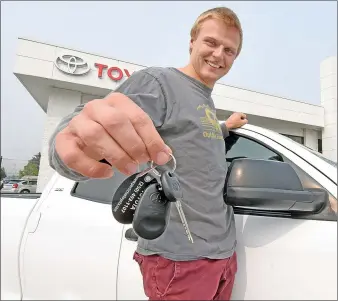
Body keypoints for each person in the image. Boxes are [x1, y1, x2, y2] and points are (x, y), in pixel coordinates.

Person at [49, 6, 247, 300]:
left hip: (221, 254)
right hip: (180, 258)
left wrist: (224, 128)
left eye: (229, 50)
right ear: (192, 41)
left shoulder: (203, 100)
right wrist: (71, 142)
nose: (219, 55)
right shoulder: (159, 83)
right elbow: (96, 125)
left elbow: (191, 138)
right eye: (211, 42)